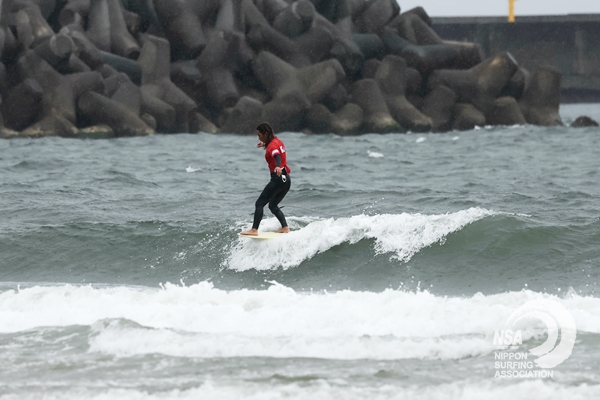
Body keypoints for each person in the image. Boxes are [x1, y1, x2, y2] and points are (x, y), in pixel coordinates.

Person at [240, 123, 291, 236]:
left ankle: (254, 230)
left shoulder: (271, 147)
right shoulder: (277, 141)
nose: (258, 138)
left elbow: (277, 156)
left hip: (277, 179)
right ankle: (285, 227)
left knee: (259, 203)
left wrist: (277, 166)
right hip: (286, 179)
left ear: (266, 134)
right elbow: (275, 148)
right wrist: (265, 144)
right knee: (272, 205)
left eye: (259, 135)